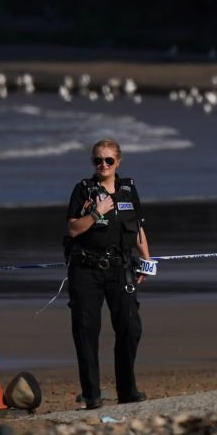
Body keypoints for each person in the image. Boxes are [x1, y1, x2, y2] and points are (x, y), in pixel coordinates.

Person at [65, 139, 152, 410]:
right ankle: (92, 395)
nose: (103, 165)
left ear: (118, 162)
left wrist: (147, 260)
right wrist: (95, 212)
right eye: (98, 161)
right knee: (86, 331)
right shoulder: (83, 190)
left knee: (130, 328)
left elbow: (137, 228)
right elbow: (74, 229)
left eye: (108, 160)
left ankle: (127, 390)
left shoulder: (128, 190)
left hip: (120, 268)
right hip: (86, 270)